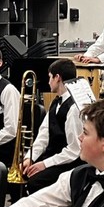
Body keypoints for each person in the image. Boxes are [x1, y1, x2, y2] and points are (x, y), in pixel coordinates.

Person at [22, 59, 83, 193]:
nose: (48, 82)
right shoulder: (55, 102)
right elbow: (43, 135)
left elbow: (74, 150)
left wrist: (44, 164)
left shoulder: (74, 108)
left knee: (34, 182)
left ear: (57, 78)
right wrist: (30, 158)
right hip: (54, 158)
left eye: (50, 77)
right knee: (22, 174)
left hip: (69, 164)